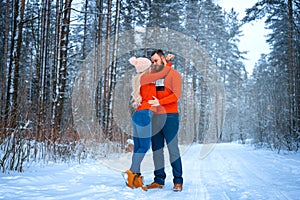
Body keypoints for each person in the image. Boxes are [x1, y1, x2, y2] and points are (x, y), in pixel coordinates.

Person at [123, 55, 173, 191]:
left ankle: (136, 178)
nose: (151, 67)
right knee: (144, 147)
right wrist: (167, 63)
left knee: (139, 147)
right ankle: (131, 172)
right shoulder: (146, 78)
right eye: (149, 65)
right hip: (144, 115)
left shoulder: (142, 79)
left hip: (138, 115)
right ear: (145, 68)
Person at [146, 49, 183, 192]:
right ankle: (159, 180)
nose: (153, 63)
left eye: (156, 60)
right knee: (157, 150)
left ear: (162, 59)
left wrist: (159, 102)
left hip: (170, 116)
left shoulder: (174, 74)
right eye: (152, 61)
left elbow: (176, 95)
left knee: (173, 149)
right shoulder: (154, 76)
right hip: (155, 117)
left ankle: (178, 181)